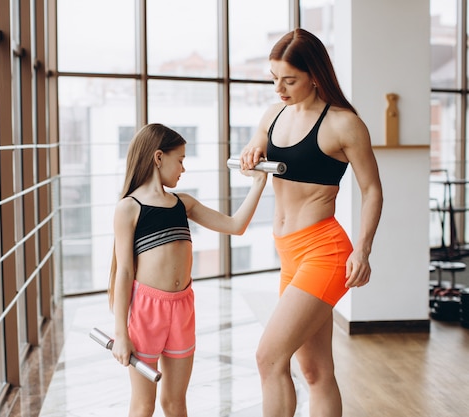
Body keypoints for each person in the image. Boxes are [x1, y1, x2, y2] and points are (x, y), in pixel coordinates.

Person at [239, 28, 383, 417]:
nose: (279, 89)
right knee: (316, 371)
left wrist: (364, 250)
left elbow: (372, 191)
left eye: (289, 80)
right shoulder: (273, 115)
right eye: (274, 78)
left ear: (314, 75)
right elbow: (256, 144)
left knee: (268, 358)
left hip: (326, 251)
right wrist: (253, 149)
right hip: (289, 253)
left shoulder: (343, 124)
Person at [109, 123, 268, 417]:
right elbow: (124, 273)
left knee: (175, 402)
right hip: (147, 311)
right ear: (158, 157)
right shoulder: (129, 208)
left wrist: (258, 184)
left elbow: (236, 226)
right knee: (144, 405)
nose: (183, 168)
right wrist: (121, 333)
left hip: (182, 308)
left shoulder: (184, 203)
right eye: (180, 159)